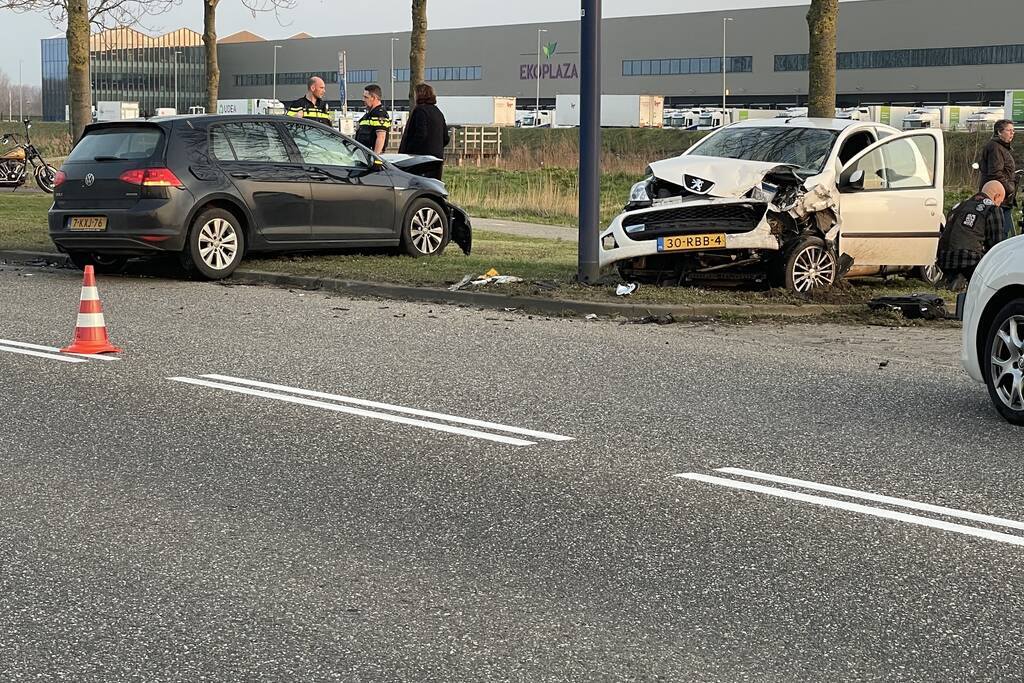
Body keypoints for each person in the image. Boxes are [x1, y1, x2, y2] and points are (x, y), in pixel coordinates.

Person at [937, 180, 1006, 290]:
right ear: (996, 196)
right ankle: (963, 278)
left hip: (943, 259)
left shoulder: (959, 206)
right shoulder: (992, 209)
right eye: (1000, 201)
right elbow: (997, 244)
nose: (999, 204)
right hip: (968, 261)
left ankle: (952, 278)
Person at [398, 83, 451, 180]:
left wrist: (409, 149)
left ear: (419, 95)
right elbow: (446, 137)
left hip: (420, 160)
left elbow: (421, 134)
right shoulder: (438, 112)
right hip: (437, 159)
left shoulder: (420, 111)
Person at [979, 119, 1017, 237]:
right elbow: (995, 173)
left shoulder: (1001, 147)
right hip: (997, 198)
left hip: (1002, 197)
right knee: (1000, 233)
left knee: (1001, 231)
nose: (1012, 133)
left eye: (1013, 131)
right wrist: (1010, 188)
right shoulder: (995, 148)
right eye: (1009, 130)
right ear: (999, 132)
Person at [355, 84, 391, 154]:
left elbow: (381, 137)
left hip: (370, 156)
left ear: (374, 98)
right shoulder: (369, 114)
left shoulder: (380, 114)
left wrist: (375, 158)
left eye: (366, 97)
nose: (363, 100)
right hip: (364, 155)